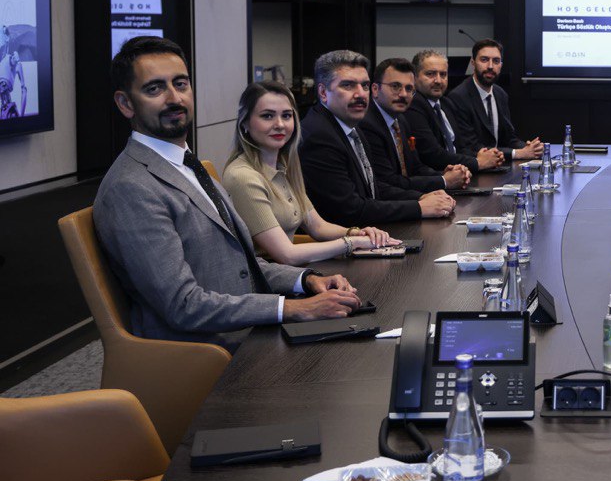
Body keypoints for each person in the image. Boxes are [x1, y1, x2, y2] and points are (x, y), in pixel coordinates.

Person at [93, 37, 360, 347]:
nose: (174, 98)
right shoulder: (131, 187)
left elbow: (240, 266)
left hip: (245, 327)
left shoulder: (188, 165)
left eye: (181, 84)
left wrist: (307, 280)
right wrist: (293, 309)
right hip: (207, 350)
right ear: (125, 103)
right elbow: (183, 305)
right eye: (154, 89)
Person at [222, 81, 399, 266]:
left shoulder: (284, 166)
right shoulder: (242, 177)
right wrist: (352, 243)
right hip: (268, 278)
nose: (280, 124)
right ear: (245, 123)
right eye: (267, 116)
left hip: (290, 271)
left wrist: (357, 233)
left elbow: (318, 227)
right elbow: (287, 255)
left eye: (287, 115)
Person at [298, 50, 455, 227]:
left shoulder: (351, 127)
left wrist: (421, 197)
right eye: (348, 85)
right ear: (323, 92)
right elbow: (351, 210)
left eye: (364, 85)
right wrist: (419, 207)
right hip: (340, 239)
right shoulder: (318, 136)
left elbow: (374, 187)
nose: (360, 94)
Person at [360, 57, 471, 193]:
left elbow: (415, 168)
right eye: (395, 86)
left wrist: (447, 174)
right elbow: (388, 181)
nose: (403, 94)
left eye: (409, 88)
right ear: (375, 89)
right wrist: (444, 181)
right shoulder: (367, 124)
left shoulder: (401, 120)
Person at [404, 48, 505, 176]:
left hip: (461, 175)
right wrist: (478, 162)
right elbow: (433, 155)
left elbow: (460, 147)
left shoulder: (446, 104)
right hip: (435, 179)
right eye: (430, 74)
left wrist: (483, 155)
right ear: (414, 77)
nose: (438, 80)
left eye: (443, 74)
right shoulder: (413, 105)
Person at [445, 39, 543, 162]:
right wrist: (518, 153)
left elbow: (510, 138)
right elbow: (472, 146)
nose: (490, 66)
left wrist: (530, 148)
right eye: (484, 60)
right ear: (473, 62)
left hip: (500, 165)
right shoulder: (459, 97)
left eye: (496, 61)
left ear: (501, 65)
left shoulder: (500, 94)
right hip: (475, 168)